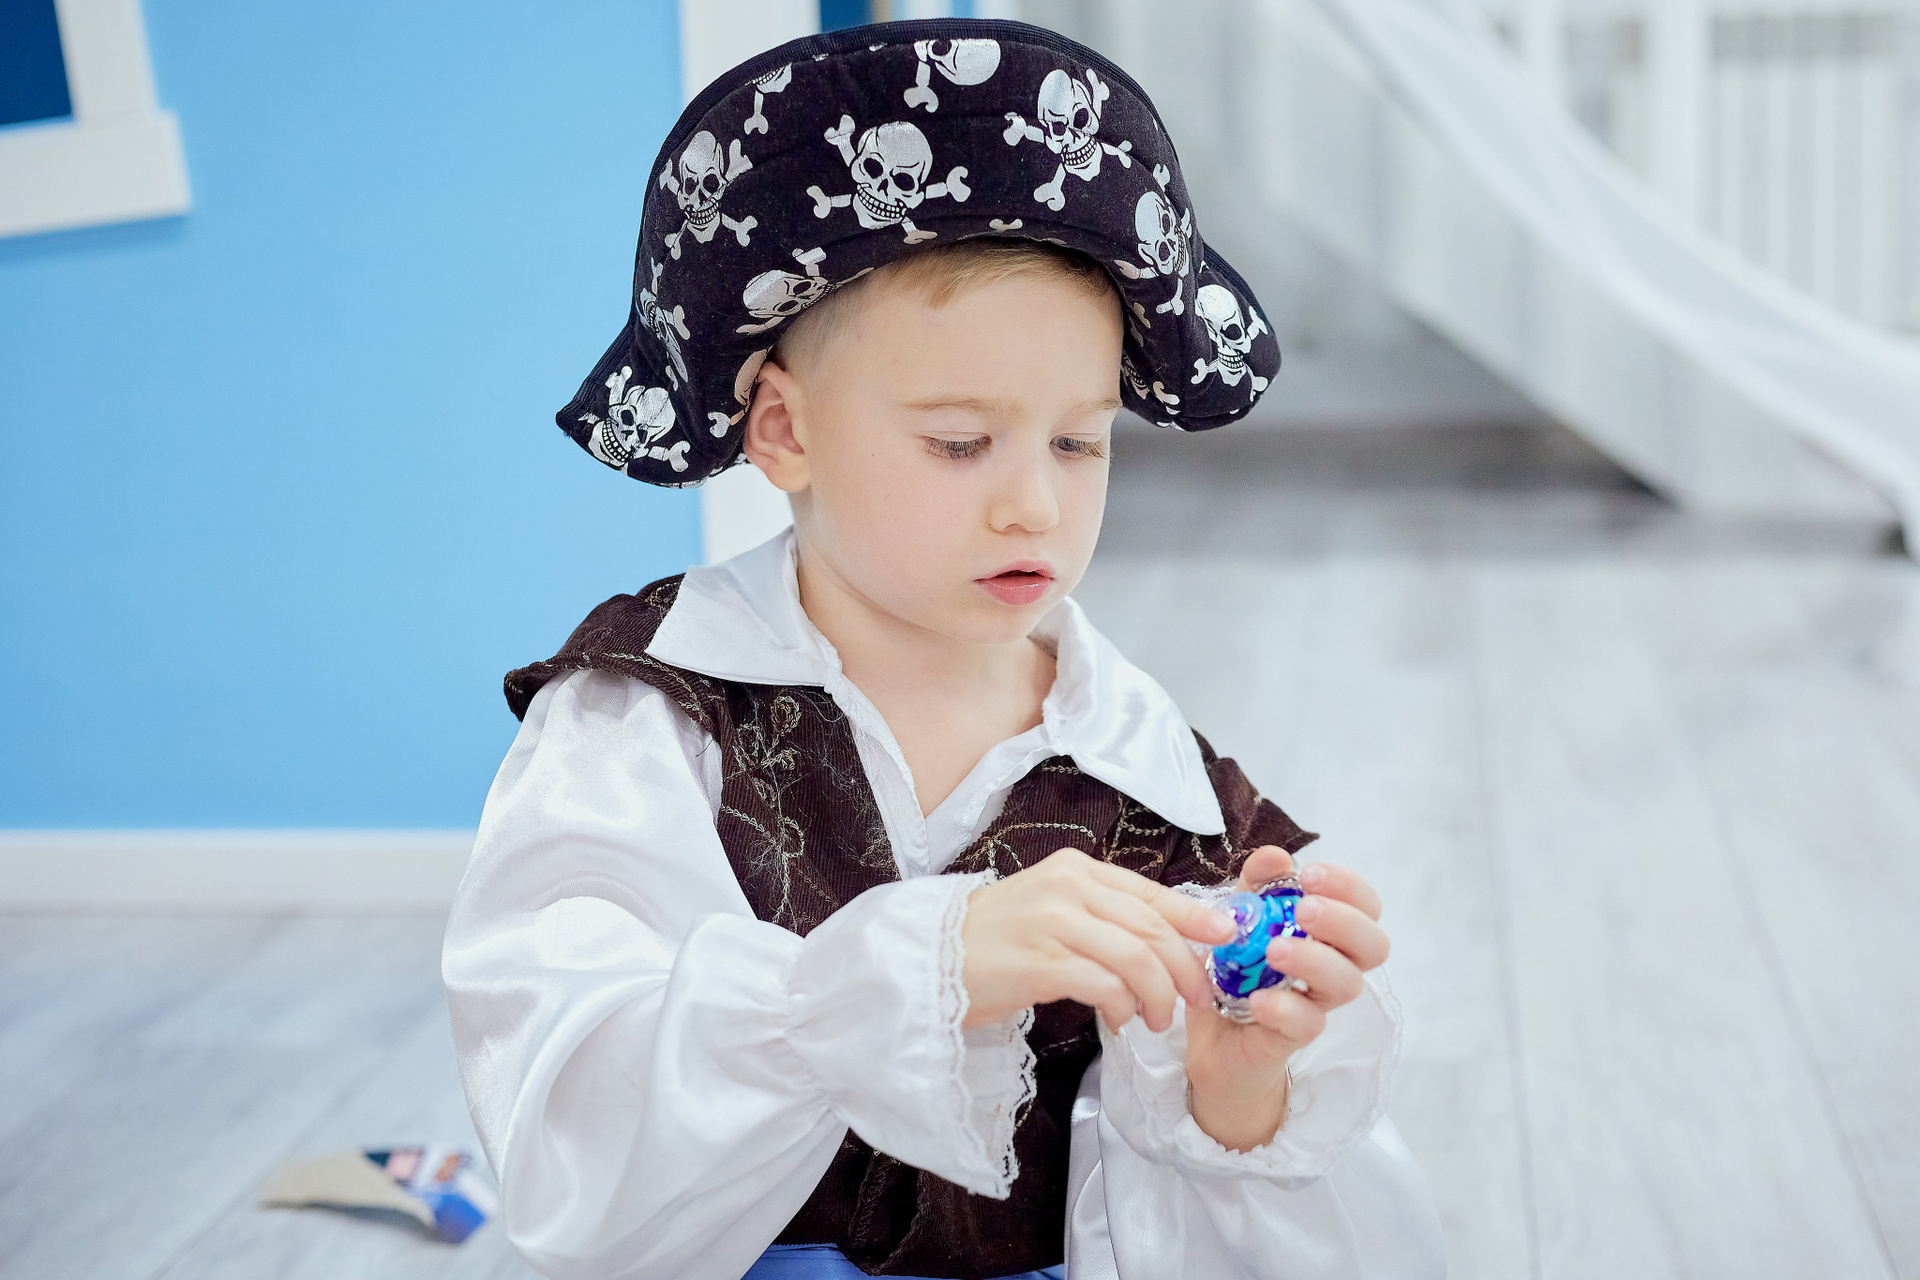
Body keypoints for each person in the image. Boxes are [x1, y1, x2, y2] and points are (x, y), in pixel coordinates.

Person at [443, 17, 1445, 1280]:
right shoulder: (647, 720)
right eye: (961, 441)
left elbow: (1208, 1230)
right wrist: (923, 965)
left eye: (1079, 441)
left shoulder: (1165, 798)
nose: (1034, 504)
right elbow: (573, 1150)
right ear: (783, 430)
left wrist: (1232, 1093)